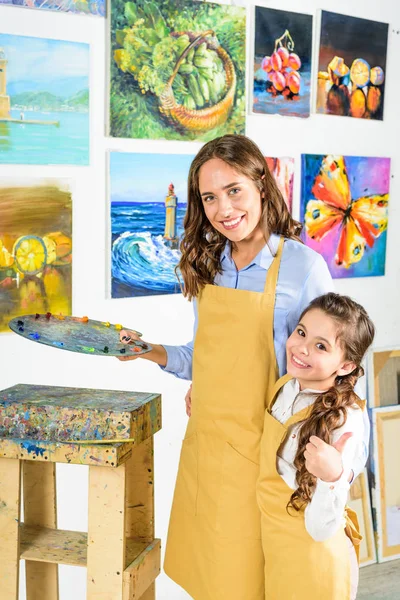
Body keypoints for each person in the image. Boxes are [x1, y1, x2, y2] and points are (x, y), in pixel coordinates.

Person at [118, 134, 370, 600]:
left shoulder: (302, 266)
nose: (223, 208)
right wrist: (148, 350)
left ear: (260, 183)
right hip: (210, 449)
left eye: (233, 190)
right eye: (209, 197)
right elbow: (204, 356)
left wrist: (341, 468)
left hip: (268, 456)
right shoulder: (209, 262)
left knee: (258, 581)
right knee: (214, 578)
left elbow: (338, 367)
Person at [258, 292, 374, 600]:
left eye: (320, 346)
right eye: (301, 332)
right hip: (278, 546)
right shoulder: (286, 386)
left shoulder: (344, 420)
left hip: (316, 559)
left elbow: (322, 529)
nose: (301, 348)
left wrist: (333, 477)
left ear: (347, 365)